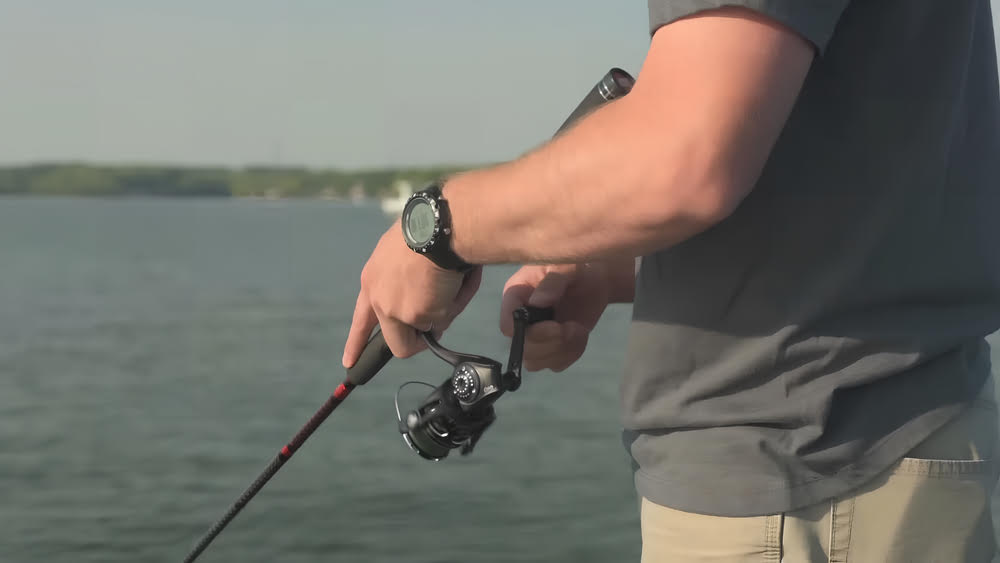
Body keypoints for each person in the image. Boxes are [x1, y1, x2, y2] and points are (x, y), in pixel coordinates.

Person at [343, 1, 1000, 561]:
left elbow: (687, 159)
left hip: (802, 482)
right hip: (883, 462)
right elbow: (855, 179)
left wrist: (435, 229)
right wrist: (613, 265)